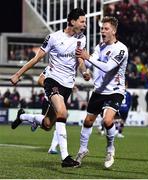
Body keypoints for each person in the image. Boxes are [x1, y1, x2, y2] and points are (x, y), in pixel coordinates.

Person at [10, 8, 90, 168]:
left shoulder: (82, 38)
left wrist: (85, 72)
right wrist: (18, 74)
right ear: (72, 21)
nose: (85, 24)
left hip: (67, 85)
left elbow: (80, 61)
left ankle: (23, 117)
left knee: (47, 125)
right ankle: (66, 158)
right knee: (63, 112)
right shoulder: (53, 38)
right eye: (82, 21)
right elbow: (36, 58)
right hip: (52, 81)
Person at [75, 16, 128, 168]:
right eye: (101, 29)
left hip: (115, 90)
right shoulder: (100, 47)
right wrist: (82, 64)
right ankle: (83, 150)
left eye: (106, 29)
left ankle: (110, 149)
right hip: (99, 91)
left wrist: (87, 57)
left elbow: (107, 67)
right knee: (87, 121)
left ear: (114, 31)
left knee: (107, 121)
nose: (102, 31)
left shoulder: (121, 49)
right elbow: (88, 61)